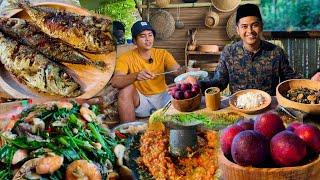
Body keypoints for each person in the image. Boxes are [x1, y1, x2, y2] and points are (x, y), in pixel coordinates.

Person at [198, 4, 319, 96]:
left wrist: (311, 82)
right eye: (244, 26)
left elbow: (290, 81)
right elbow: (219, 82)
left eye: (254, 25)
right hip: (238, 108)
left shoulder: (276, 52)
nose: (250, 31)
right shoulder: (229, 52)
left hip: (269, 108)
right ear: (238, 29)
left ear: (261, 26)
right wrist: (197, 85)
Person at [111, 21, 182, 122]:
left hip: (164, 98)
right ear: (134, 41)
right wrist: (135, 76)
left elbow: (178, 71)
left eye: (150, 35)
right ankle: (130, 132)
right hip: (142, 101)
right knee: (126, 89)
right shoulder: (125, 58)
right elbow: (115, 81)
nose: (148, 39)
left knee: (184, 85)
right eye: (142, 36)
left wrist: (186, 71)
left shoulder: (163, 54)